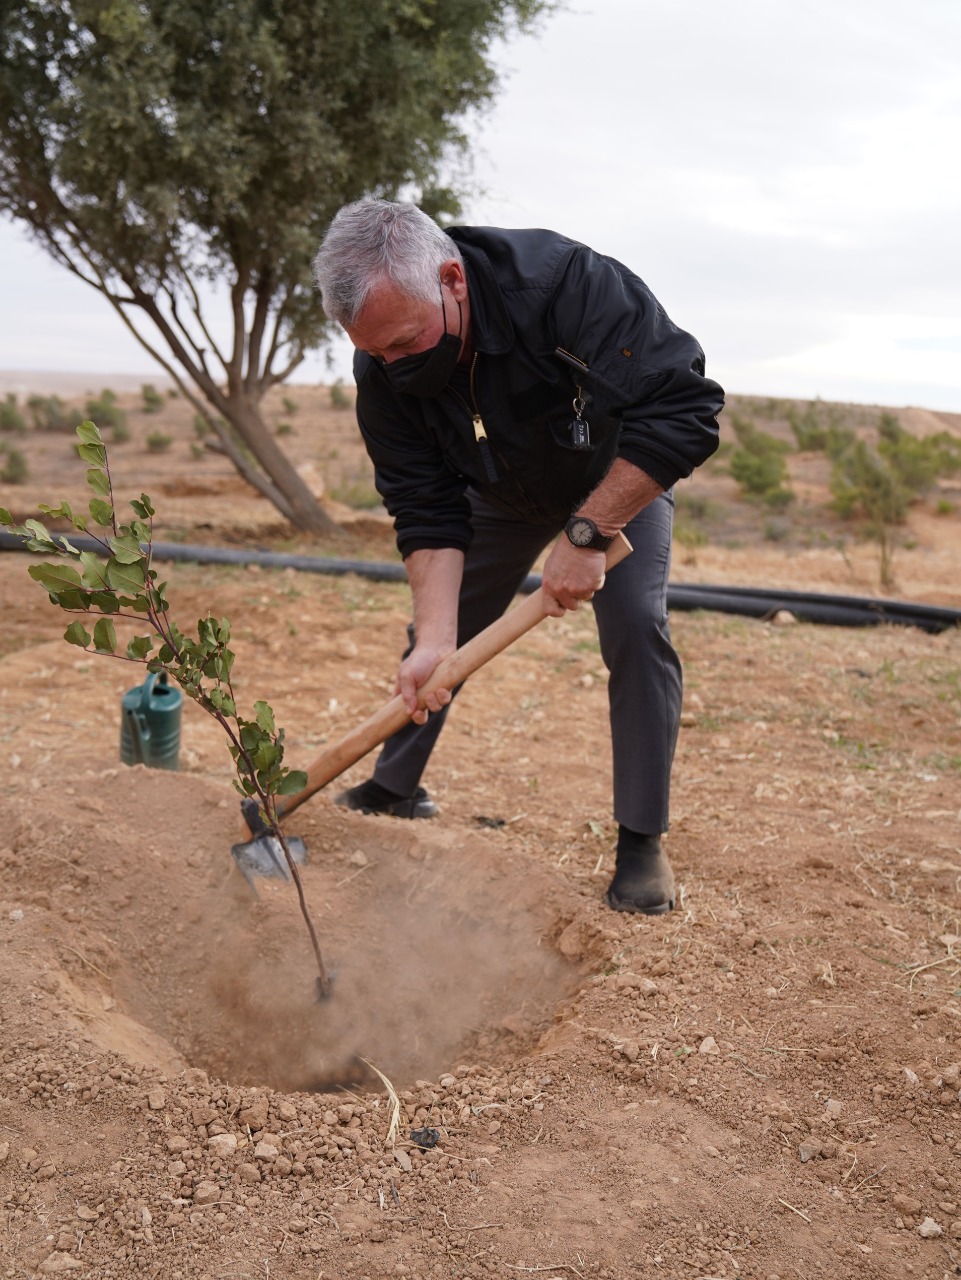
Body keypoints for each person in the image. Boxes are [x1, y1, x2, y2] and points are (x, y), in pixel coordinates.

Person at [312, 199, 724, 914]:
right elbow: (423, 504)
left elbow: (684, 408)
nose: (392, 366)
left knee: (634, 628)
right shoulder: (383, 363)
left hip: (616, 484)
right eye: (375, 354)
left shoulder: (565, 285)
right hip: (494, 493)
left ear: (452, 279)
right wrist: (438, 638)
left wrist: (588, 534)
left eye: (406, 344)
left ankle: (640, 840)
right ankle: (394, 787)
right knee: (436, 644)